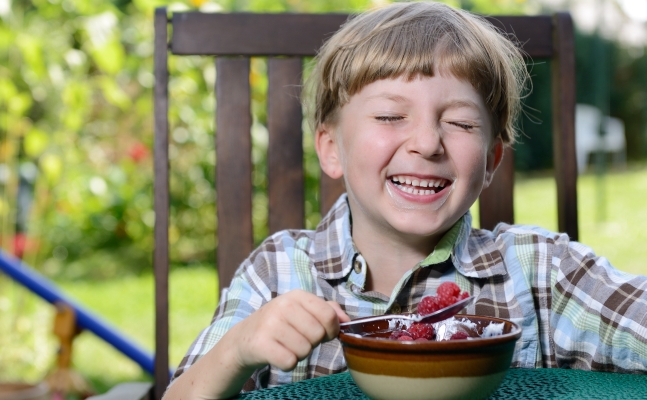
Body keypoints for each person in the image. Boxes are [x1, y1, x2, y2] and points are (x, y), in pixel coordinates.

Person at [163, 2, 647, 398]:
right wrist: (238, 349)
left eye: (459, 123)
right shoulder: (276, 273)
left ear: (492, 159)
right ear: (331, 148)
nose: (427, 143)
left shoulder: (540, 270)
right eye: (391, 116)